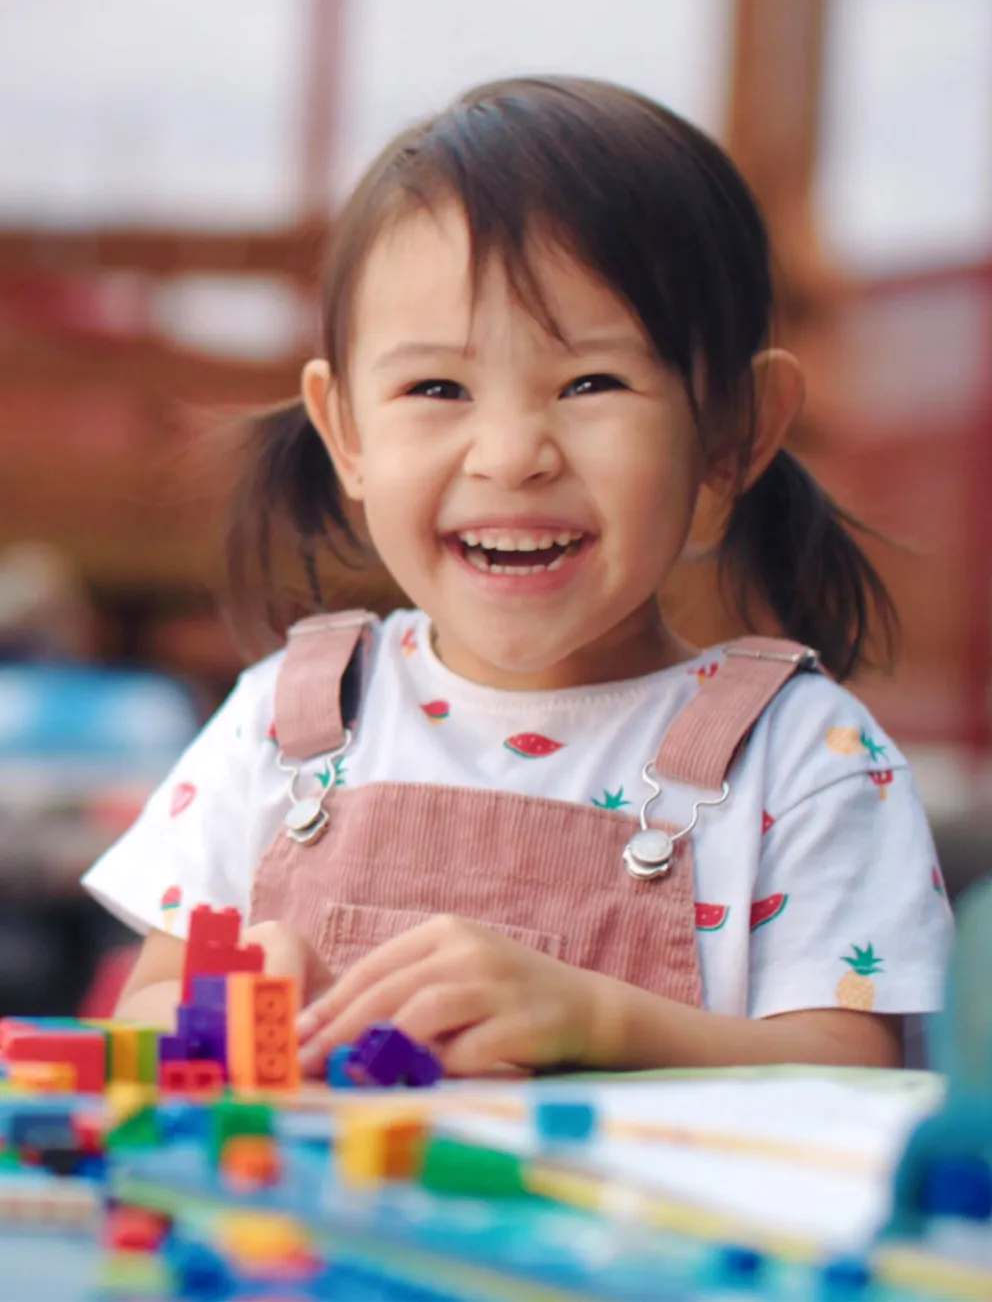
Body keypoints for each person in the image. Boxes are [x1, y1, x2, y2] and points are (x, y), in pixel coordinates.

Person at [83, 77, 952, 1079]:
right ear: (347, 433)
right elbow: (135, 1026)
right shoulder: (288, 723)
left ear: (732, 432)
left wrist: (607, 1023)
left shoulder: (802, 761)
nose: (509, 454)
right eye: (435, 387)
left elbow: (851, 1084)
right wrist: (220, 1007)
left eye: (590, 384)